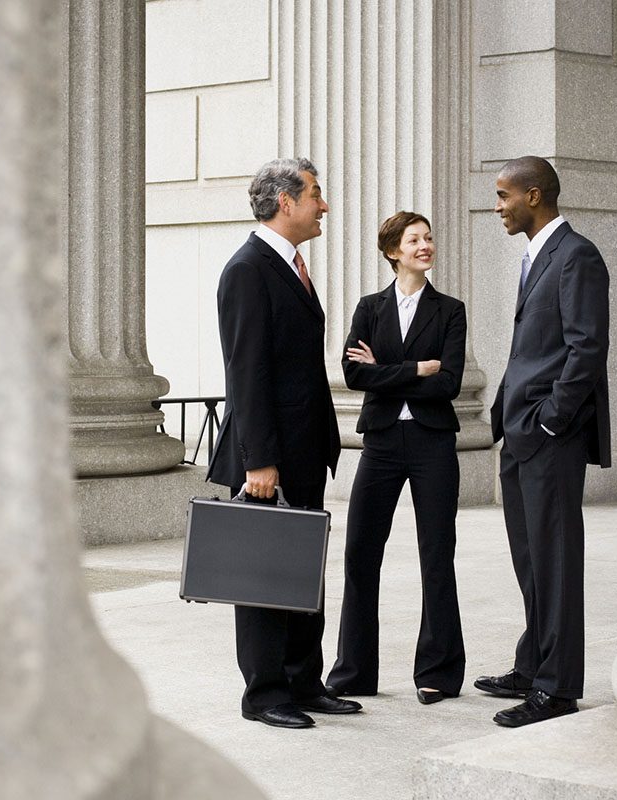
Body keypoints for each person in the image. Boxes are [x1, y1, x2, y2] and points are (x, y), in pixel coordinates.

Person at [205, 157, 361, 729]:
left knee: (301, 571)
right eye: (316, 194)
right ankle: (266, 695)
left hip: (303, 449)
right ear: (285, 202)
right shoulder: (247, 269)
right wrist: (260, 461)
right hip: (269, 457)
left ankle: (302, 682)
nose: (323, 205)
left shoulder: (291, 266)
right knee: (265, 576)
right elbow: (246, 373)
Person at [475, 156, 611, 727]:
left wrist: (552, 420)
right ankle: (534, 664)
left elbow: (587, 348)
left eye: (504, 195)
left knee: (554, 562)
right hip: (522, 433)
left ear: (534, 195)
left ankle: (557, 689)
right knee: (530, 559)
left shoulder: (577, 256)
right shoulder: (538, 257)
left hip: (549, 436)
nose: (498, 206)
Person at [324, 212, 467, 705]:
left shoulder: (450, 311)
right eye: (414, 240)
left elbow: (448, 382)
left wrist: (387, 369)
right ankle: (354, 673)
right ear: (393, 252)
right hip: (381, 443)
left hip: (432, 444)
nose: (425, 245)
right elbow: (353, 375)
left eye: (429, 237)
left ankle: (439, 673)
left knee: (436, 554)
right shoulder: (369, 308)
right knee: (360, 552)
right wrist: (415, 369)